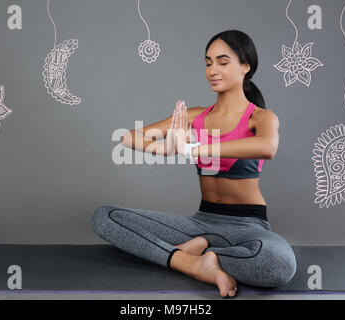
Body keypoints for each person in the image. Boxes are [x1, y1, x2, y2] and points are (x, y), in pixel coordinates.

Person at [91, 30, 296, 298]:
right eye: (208, 62)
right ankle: (195, 264)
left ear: (245, 66)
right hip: (201, 221)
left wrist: (194, 147)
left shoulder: (260, 117)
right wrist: (167, 149)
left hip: (249, 226)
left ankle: (204, 249)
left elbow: (267, 147)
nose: (213, 69)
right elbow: (128, 137)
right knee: (104, 217)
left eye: (223, 62)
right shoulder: (194, 117)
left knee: (278, 265)